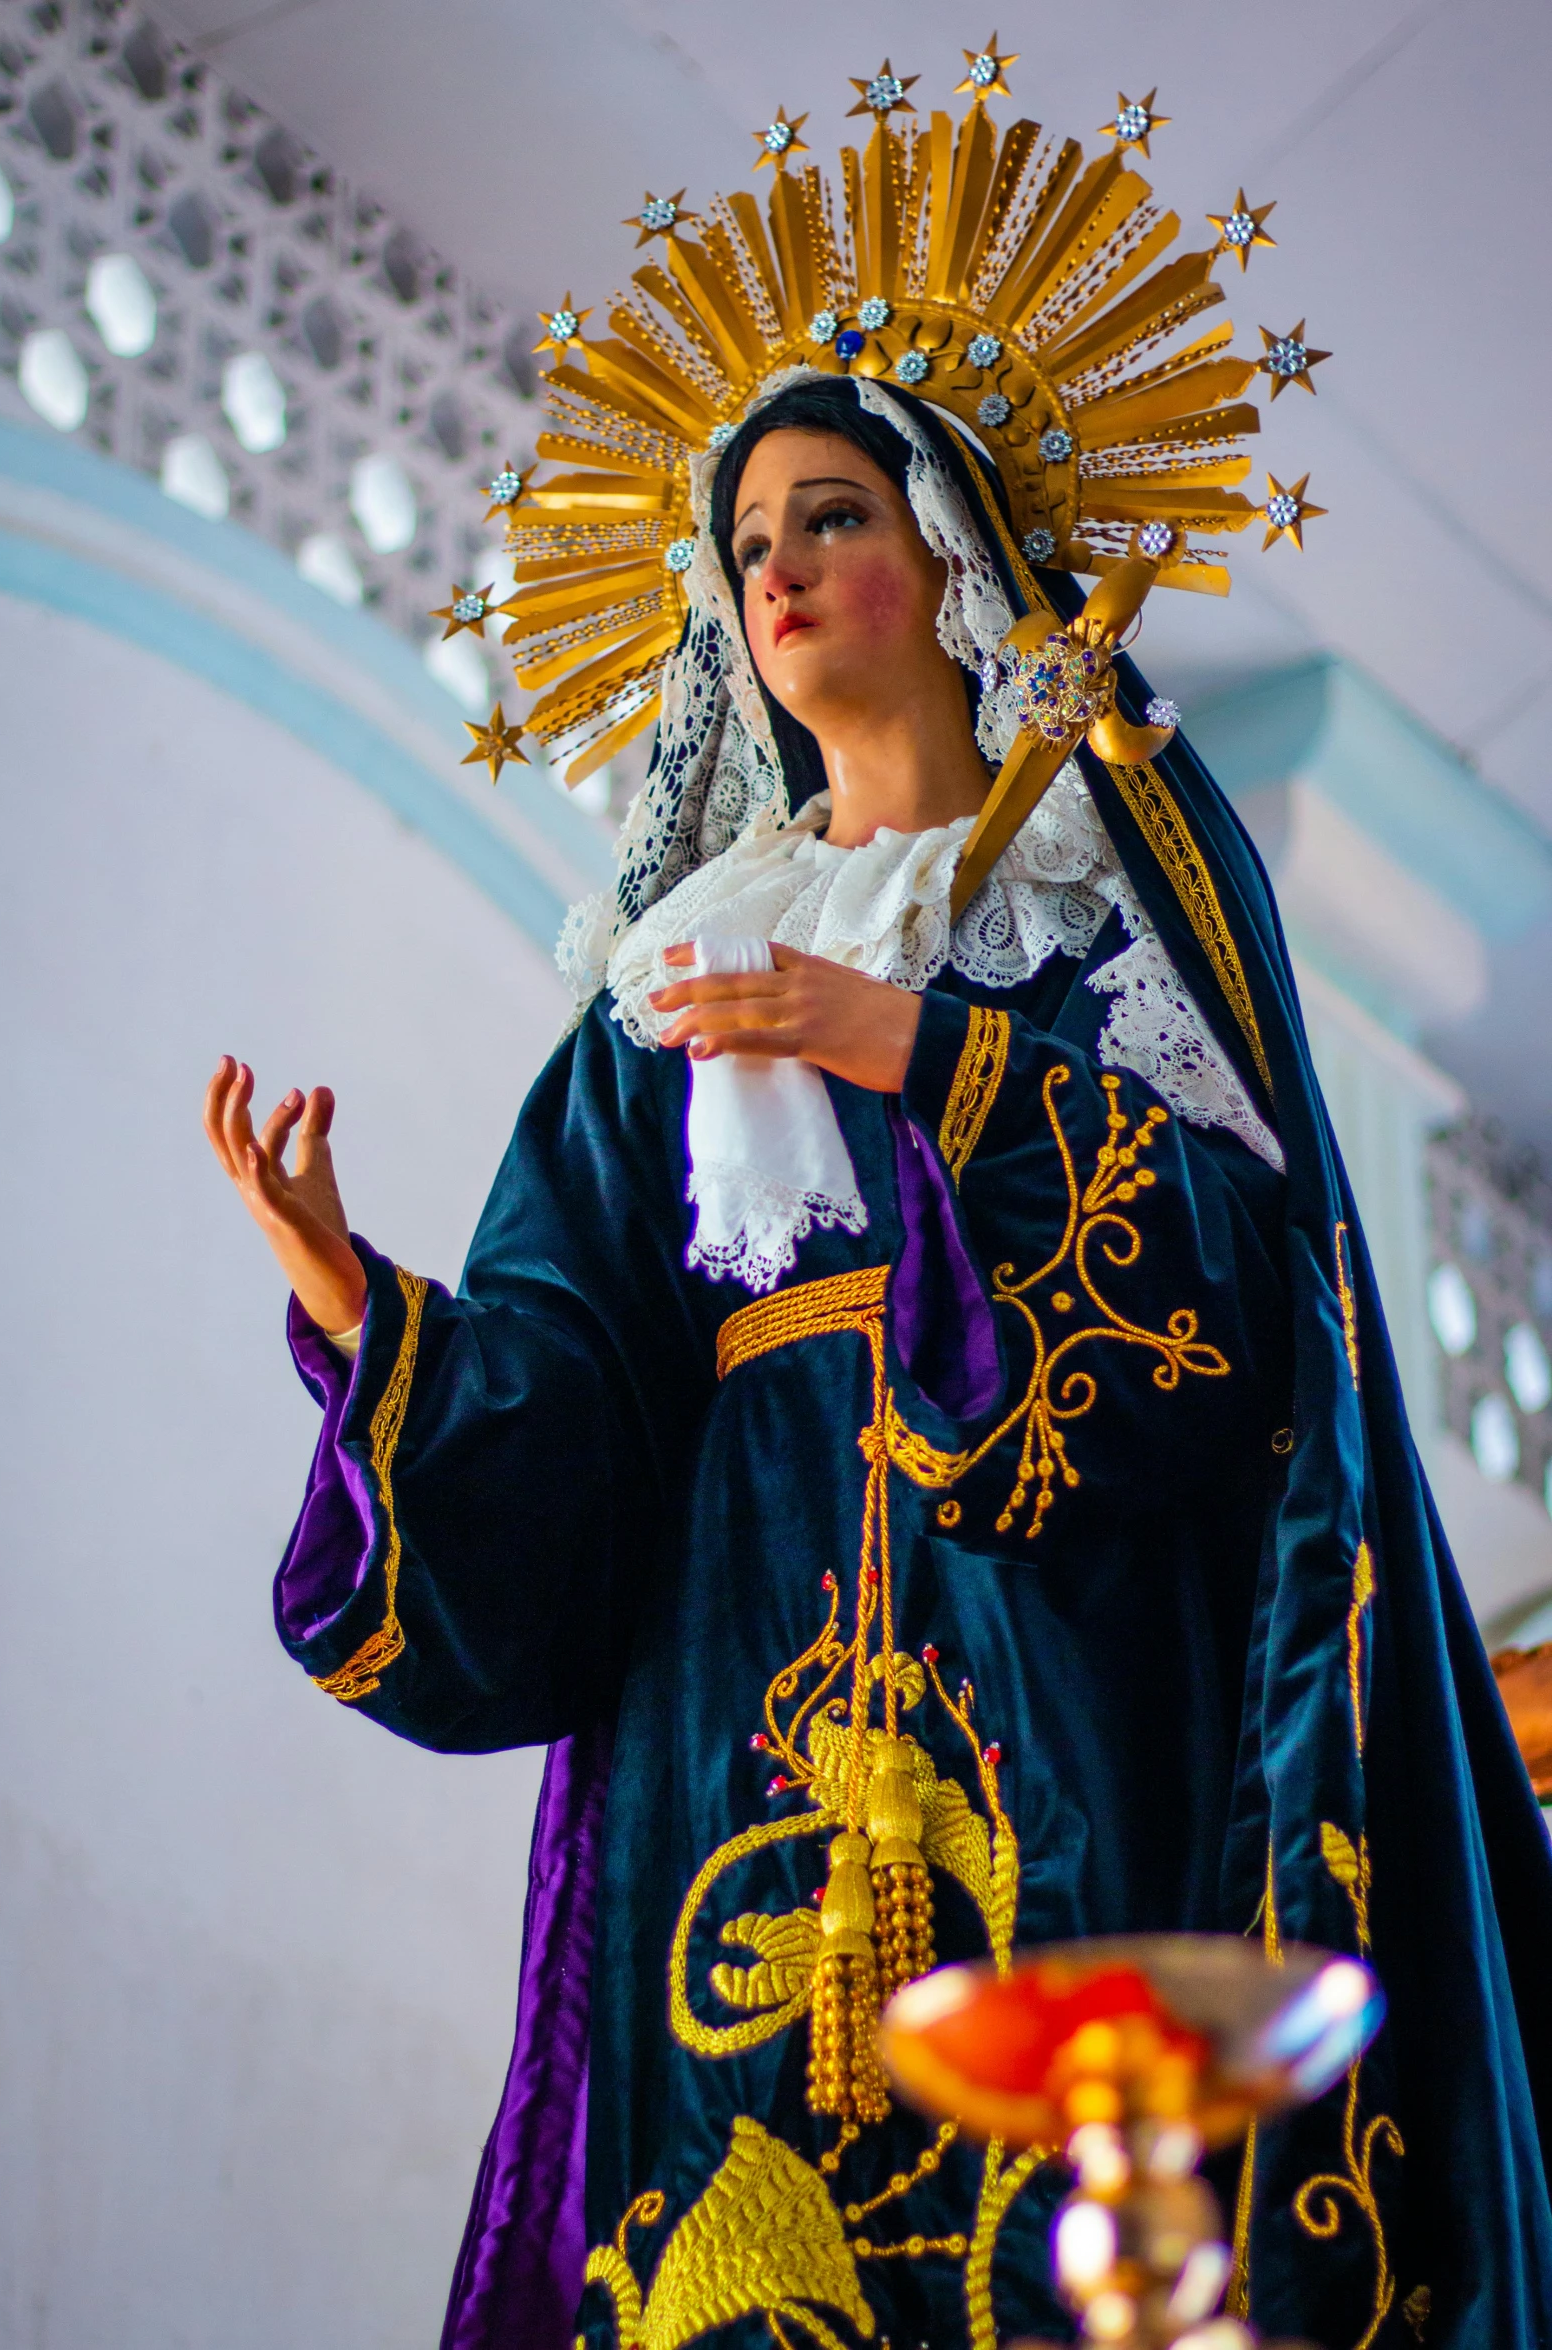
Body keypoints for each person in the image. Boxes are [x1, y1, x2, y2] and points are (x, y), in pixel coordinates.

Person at [204, 374, 1552, 2350]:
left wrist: (922, 1047)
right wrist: (351, 1302)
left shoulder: (1094, 928)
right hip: (718, 1723)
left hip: (1057, 1673)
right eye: (746, 543)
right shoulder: (657, 1005)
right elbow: (566, 1413)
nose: (779, 569)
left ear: (948, 555)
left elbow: (1237, 1316)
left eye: (830, 515)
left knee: (1061, 2231)